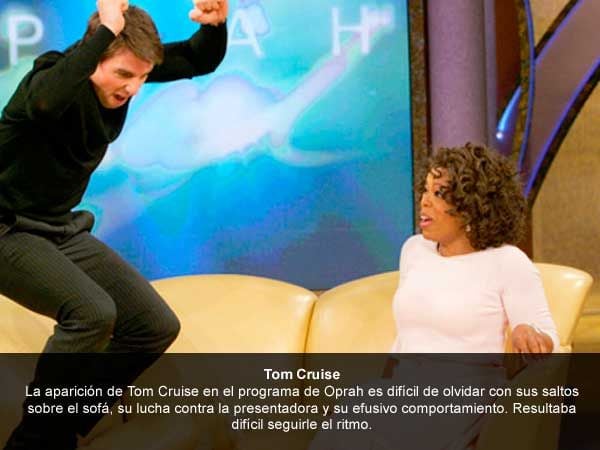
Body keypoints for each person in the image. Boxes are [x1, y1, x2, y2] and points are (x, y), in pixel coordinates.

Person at [0, 1, 228, 448]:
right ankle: (34, 442)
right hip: (5, 228)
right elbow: (46, 104)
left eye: (142, 76)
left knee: (152, 324)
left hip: (54, 227)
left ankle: (59, 427)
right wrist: (105, 27)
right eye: (124, 74)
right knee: (91, 313)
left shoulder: (123, 75)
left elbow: (196, 59)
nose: (133, 87)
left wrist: (215, 26)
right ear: (93, 55)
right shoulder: (49, 79)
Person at [310, 143, 559, 450]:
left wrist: (528, 332)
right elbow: (408, 337)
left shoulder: (508, 261)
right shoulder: (414, 249)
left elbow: (548, 339)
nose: (424, 201)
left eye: (439, 193)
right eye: (425, 190)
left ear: (471, 206)